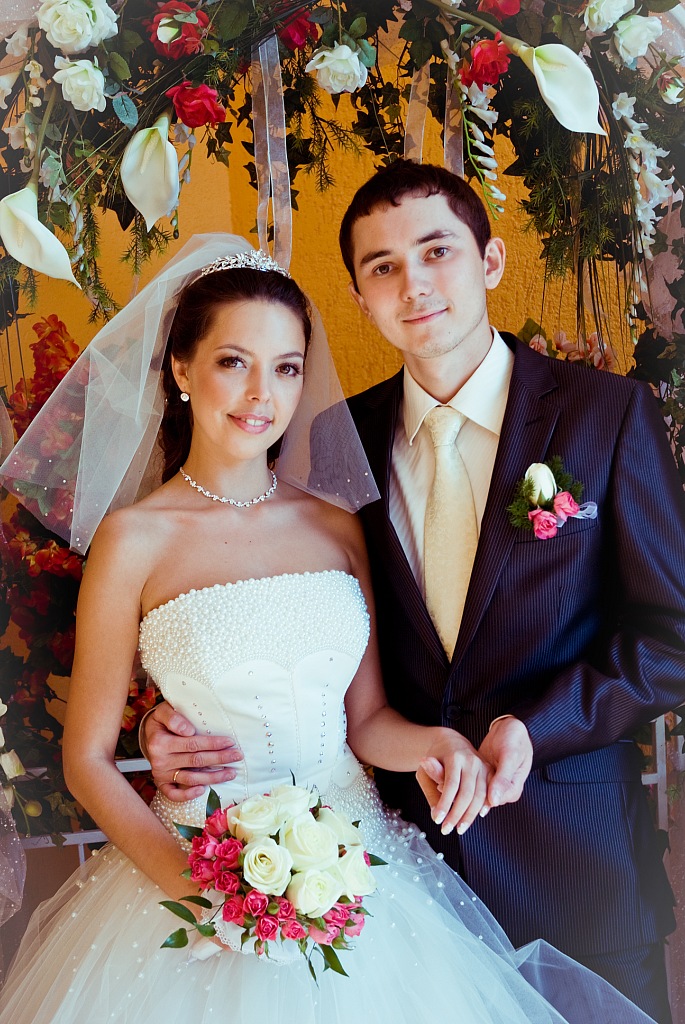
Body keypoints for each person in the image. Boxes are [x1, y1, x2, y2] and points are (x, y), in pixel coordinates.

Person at [0, 237, 658, 1024]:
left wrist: (438, 745)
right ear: (180, 369)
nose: (261, 394)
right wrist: (200, 894)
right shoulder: (132, 540)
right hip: (195, 870)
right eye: (233, 362)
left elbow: (366, 720)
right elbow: (87, 760)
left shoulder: (337, 525)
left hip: (358, 868)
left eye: (285, 368)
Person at [144, 164, 685, 1024]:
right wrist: (170, 712)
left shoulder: (605, 414)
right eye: (383, 266)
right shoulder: (331, 439)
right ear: (359, 298)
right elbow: (277, 606)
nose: (414, 284)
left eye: (437, 251)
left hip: (578, 867)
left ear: (489, 261)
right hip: (397, 887)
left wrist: (535, 728)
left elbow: (670, 635)